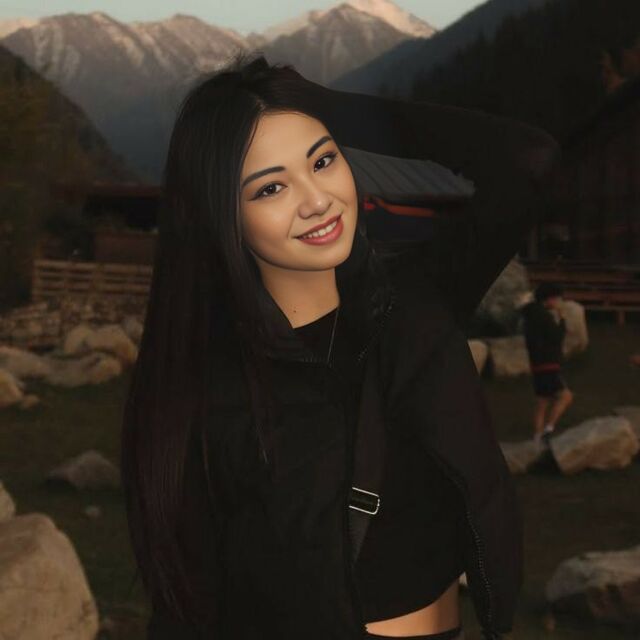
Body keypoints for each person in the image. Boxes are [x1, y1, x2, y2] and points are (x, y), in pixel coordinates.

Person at [120, 52, 560, 640]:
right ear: (221, 216)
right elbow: (187, 603)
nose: (317, 200)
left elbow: (528, 160)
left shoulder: (415, 301)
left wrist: (328, 108)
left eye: (323, 160)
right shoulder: (207, 393)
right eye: (271, 187)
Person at [521, 282, 574, 446]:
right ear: (550, 298)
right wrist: (562, 318)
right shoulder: (544, 316)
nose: (559, 302)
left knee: (542, 403)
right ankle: (548, 430)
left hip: (536, 365)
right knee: (566, 396)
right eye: (558, 298)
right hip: (549, 364)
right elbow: (557, 337)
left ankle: (537, 439)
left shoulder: (530, 315)